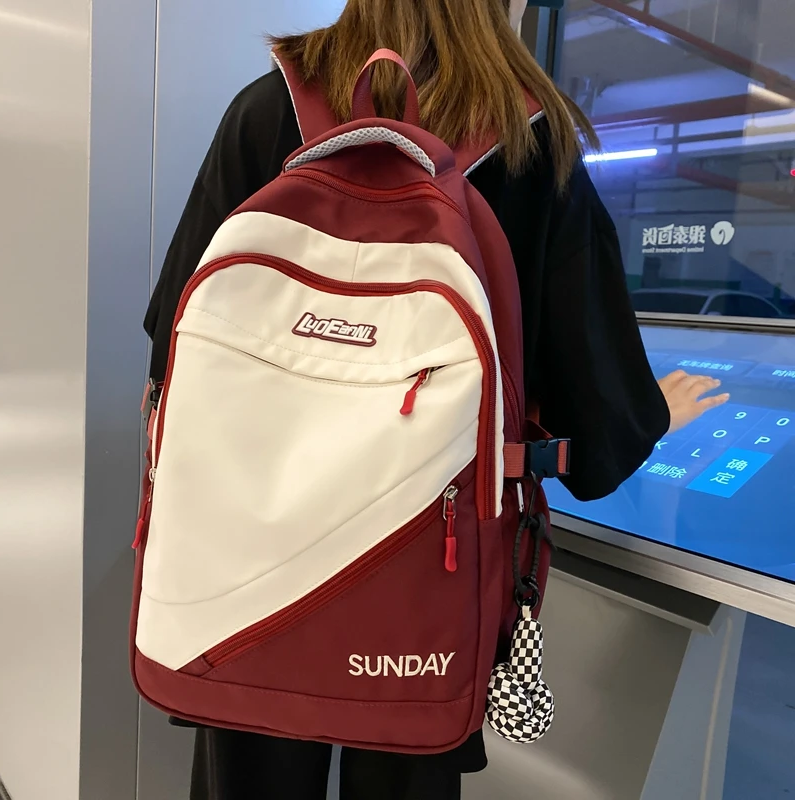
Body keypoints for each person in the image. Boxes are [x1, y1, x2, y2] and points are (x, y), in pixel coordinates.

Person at [143, 0, 729, 797]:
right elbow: (596, 430)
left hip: (249, 575)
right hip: (430, 579)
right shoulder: (528, 137)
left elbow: (173, 345)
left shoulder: (267, 107)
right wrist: (648, 410)